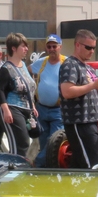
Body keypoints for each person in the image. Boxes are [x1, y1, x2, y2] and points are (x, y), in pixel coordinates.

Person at [59, 29, 98, 168]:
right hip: (79, 122)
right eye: (88, 47)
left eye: (93, 48)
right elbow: (67, 92)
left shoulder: (88, 68)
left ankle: (72, 187)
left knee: (82, 162)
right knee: (92, 164)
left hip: (90, 121)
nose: (92, 51)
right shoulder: (70, 65)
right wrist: (93, 85)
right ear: (77, 45)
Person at [0, 32, 37, 158]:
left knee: (29, 142)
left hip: (26, 109)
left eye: (27, 46)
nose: (26, 49)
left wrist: (33, 106)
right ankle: (15, 169)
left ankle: (23, 168)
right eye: (23, 46)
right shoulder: (6, 68)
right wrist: (6, 110)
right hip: (12, 108)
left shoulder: (23, 65)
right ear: (13, 48)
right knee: (20, 143)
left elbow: (29, 87)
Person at [29, 34, 66, 167]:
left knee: (54, 142)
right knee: (44, 142)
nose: (52, 49)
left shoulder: (66, 63)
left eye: (54, 46)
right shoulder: (41, 62)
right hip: (41, 109)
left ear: (60, 47)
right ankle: (47, 170)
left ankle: (36, 164)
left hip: (58, 110)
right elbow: (26, 72)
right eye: (49, 46)